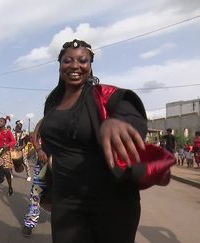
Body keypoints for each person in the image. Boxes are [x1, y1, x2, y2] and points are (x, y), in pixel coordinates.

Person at [41, 40, 149, 242]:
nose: (75, 65)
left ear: (90, 65)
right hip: (66, 200)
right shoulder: (52, 102)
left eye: (83, 60)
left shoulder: (106, 96)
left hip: (112, 201)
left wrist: (116, 123)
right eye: (67, 60)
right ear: (59, 65)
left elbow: (133, 120)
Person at [22, 119, 48, 237]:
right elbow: (35, 135)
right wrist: (39, 149)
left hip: (63, 164)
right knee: (36, 193)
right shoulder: (45, 120)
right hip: (43, 162)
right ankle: (30, 222)